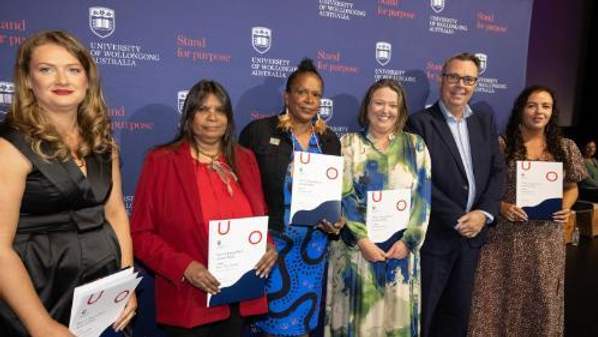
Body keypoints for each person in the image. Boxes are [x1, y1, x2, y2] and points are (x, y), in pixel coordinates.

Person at [0, 30, 136, 337]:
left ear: (88, 80)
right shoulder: (9, 147)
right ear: (28, 81)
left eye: (73, 69)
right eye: (47, 69)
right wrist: (39, 324)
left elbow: (115, 213)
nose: (62, 80)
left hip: (100, 291)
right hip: (37, 294)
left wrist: (125, 283)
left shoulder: (104, 144)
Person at [130, 79, 277, 337]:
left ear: (229, 119)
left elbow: (259, 216)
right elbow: (140, 235)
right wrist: (184, 267)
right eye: (203, 109)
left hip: (239, 296)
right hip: (189, 299)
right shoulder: (162, 161)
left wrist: (267, 245)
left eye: (220, 110)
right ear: (189, 117)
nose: (212, 117)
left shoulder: (245, 158)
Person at [467, 85, 588, 337]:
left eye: (546, 106)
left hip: (545, 242)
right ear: (521, 109)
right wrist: (502, 207)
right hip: (504, 239)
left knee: (541, 300)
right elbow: (481, 190)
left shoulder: (565, 148)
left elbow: (572, 187)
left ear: (553, 112)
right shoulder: (501, 145)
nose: (538, 111)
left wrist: (564, 207)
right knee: (495, 300)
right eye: (532, 105)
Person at [239, 58, 344, 337]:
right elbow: (241, 192)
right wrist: (256, 237)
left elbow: (334, 194)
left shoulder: (330, 140)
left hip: (313, 249)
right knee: (270, 324)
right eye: (301, 92)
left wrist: (337, 219)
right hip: (272, 247)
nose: (309, 100)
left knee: (303, 324)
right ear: (287, 96)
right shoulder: (259, 133)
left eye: (316, 94)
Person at [405, 52, 505, 337]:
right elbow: (418, 180)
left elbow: (498, 172)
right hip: (437, 238)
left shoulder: (484, 121)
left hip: (472, 241)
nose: (461, 84)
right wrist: (461, 219)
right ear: (442, 79)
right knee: (425, 316)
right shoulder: (419, 124)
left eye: (469, 79)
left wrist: (483, 215)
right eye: (454, 77)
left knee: (457, 317)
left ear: (475, 84)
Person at [324, 79, 431, 337]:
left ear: (401, 110)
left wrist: (408, 242)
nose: (385, 110)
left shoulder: (415, 146)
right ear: (367, 106)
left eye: (392, 105)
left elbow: (422, 199)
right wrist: (362, 241)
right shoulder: (347, 144)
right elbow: (343, 196)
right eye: (379, 103)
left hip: (400, 257)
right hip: (356, 255)